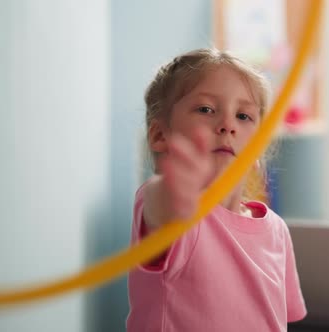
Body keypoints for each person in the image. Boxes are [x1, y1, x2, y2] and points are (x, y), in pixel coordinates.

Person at [126, 48, 307, 332]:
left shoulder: (277, 230)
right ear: (161, 135)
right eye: (206, 110)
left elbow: (282, 318)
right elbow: (160, 211)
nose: (227, 125)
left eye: (244, 116)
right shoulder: (173, 208)